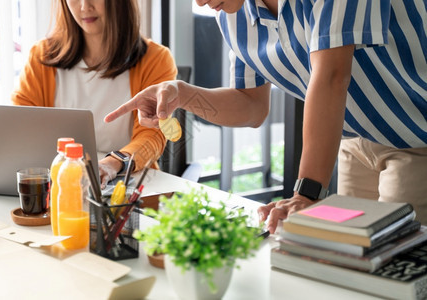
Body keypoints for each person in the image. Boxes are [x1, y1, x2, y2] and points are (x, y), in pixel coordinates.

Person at [105, 0, 427, 233]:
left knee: (402, 277)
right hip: (354, 141)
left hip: (417, 136)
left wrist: (305, 193)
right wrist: (182, 94)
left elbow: (332, 75)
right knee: (355, 274)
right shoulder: (233, 13)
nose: (200, 2)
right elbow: (251, 105)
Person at [12, 0, 177, 188]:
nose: (84, 6)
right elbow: (20, 126)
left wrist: (112, 164)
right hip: (61, 186)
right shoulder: (41, 56)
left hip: (127, 189)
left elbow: (152, 134)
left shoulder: (156, 59)